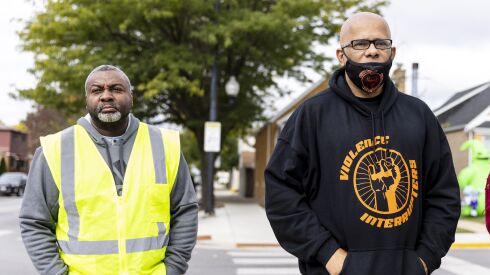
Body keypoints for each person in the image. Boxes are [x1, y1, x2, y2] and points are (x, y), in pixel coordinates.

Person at [265, 12, 460, 275]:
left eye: (381, 44)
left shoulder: (419, 116)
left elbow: (444, 195)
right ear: (341, 55)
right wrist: (331, 257)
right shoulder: (312, 116)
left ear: (392, 53)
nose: (371, 51)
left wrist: (424, 259)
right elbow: (281, 195)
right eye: (360, 44)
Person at [19, 65, 198, 275]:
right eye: (97, 90)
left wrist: (173, 269)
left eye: (116, 89)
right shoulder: (54, 149)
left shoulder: (166, 145)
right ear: (86, 99)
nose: (106, 96)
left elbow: (184, 211)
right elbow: (34, 221)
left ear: (131, 96)